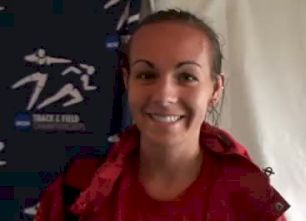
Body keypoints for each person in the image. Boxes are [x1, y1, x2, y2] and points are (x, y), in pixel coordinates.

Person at [36, 9, 289, 221]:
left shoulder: (252, 202)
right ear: (128, 81)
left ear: (215, 89)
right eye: (147, 75)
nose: (164, 96)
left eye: (187, 77)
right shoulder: (76, 191)